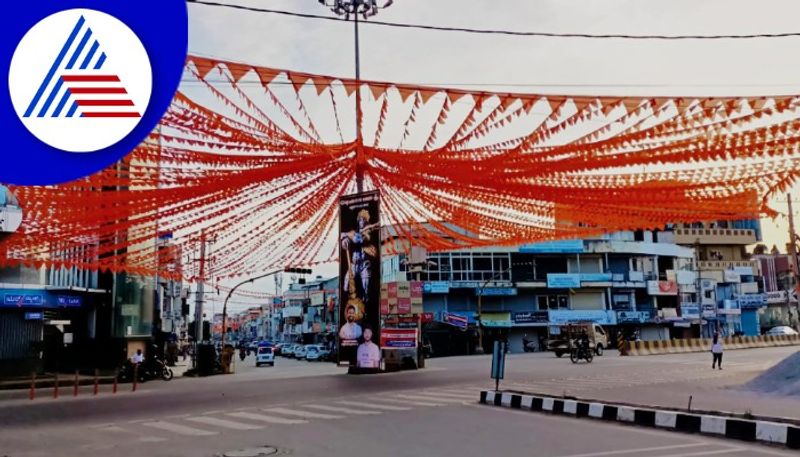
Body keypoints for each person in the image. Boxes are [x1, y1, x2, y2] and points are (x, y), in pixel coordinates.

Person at [340, 209, 378, 306]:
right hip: (353, 264)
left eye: (364, 220)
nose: (362, 222)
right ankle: (347, 302)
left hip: (364, 264)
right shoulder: (353, 232)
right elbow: (342, 237)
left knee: (366, 288)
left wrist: (349, 235)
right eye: (360, 220)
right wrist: (345, 239)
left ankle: (365, 305)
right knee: (346, 283)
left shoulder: (368, 233)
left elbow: (359, 240)